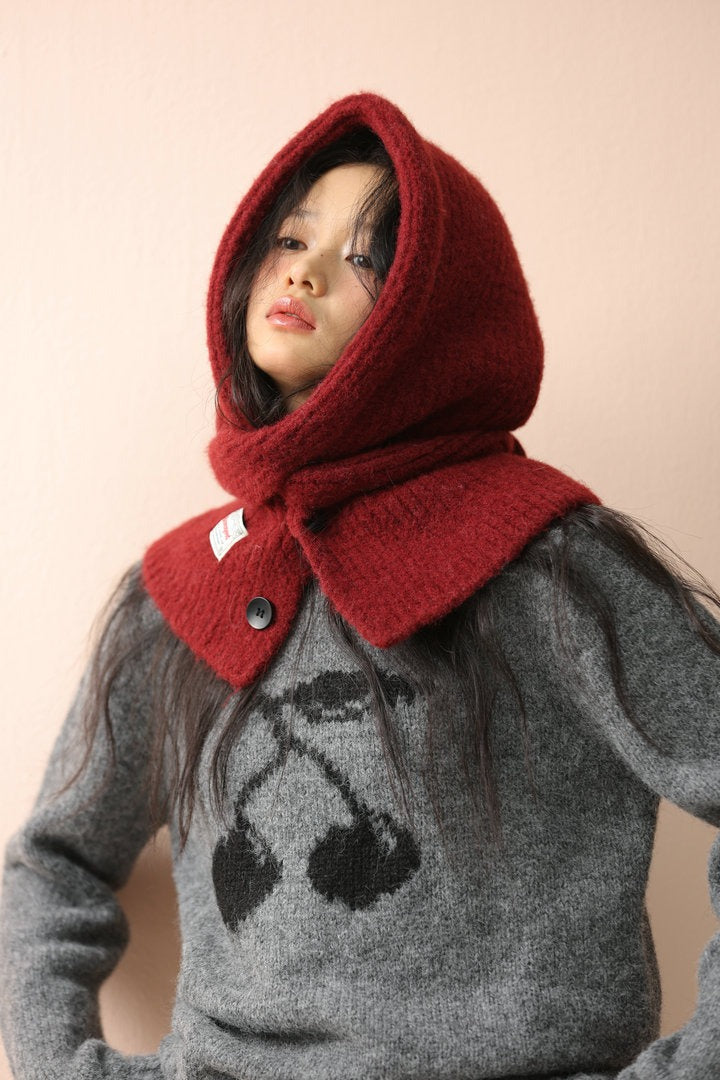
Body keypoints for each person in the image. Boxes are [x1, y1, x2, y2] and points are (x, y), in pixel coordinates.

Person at [1, 90, 719, 1080]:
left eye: (369, 258)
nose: (304, 270)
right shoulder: (178, 593)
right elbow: (53, 864)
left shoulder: (551, 566)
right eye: (291, 238)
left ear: (441, 313)